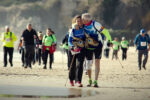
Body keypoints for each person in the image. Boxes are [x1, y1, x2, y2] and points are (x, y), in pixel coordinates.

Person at [82, 13, 112, 87]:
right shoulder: (82, 25)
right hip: (88, 46)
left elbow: (106, 32)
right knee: (88, 64)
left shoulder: (96, 24)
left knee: (97, 62)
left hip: (98, 45)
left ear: (87, 20)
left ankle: (95, 81)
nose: (82, 20)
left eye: (83, 19)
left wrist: (109, 41)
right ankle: (90, 80)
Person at [68, 19, 85, 87]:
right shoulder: (72, 30)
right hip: (73, 49)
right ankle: (71, 80)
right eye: (78, 21)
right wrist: (72, 47)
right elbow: (69, 40)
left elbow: (85, 38)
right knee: (72, 65)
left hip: (81, 49)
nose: (79, 22)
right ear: (75, 22)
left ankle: (78, 81)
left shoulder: (83, 29)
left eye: (80, 21)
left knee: (80, 65)